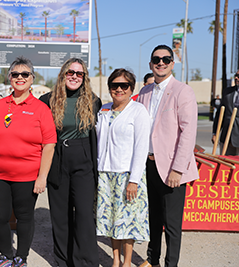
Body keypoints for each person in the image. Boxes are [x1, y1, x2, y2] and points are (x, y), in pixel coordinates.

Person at [0, 56, 57, 267]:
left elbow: (49, 145)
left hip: (27, 176)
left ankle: (21, 257)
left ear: (32, 79)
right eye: (15, 74)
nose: (20, 77)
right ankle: (6, 255)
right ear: (9, 78)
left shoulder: (41, 109)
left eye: (25, 74)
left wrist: (42, 177)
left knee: (24, 218)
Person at [137, 45, 198, 267]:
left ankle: (171, 264)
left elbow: (188, 133)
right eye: (156, 59)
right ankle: (152, 259)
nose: (160, 62)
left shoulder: (183, 91)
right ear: (151, 64)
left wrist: (178, 169)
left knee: (171, 224)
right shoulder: (144, 92)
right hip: (148, 166)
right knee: (153, 218)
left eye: (165, 59)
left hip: (172, 168)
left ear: (172, 63)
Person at [39, 58, 101, 267]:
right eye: (70, 72)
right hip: (57, 159)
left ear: (84, 78)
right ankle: (63, 260)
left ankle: (85, 261)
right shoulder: (46, 100)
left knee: (84, 213)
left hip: (83, 160)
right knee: (60, 214)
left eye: (79, 73)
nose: (75, 76)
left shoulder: (93, 101)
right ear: (63, 74)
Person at [96, 68, 150, 267]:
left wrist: (133, 180)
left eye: (124, 85)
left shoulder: (138, 111)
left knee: (127, 221)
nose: (119, 89)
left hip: (127, 175)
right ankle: (116, 260)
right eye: (114, 85)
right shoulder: (104, 109)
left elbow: (141, 147)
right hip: (105, 174)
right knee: (111, 220)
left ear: (131, 88)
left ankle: (127, 262)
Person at [212, 70, 239, 155]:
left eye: (238, 76)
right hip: (227, 138)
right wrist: (215, 133)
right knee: (225, 165)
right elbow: (220, 114)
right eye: (236, 75)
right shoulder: (227, 92)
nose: (236, 78)